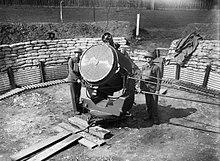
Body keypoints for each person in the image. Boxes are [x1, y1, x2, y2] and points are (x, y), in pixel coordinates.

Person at [139, 52, 161, 124]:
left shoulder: (156, 67)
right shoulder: (144, 67)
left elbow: (158, 79)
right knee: (148, 103)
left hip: (153, 88)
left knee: (154, 103)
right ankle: (149, 116)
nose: (148, 59)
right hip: (146, 87)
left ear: (152, 59)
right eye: (146, 58)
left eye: (149, 58)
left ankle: (156, 118)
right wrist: (141, 88)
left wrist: (157, 89)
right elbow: (141, 78)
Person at [67, 48, 83, 115]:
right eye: (77, 53)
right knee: (74, 95)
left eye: (79, 53)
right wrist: (76, 79)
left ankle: (78, 106)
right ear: (75, 53)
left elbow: (81, 70)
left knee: (78, 94)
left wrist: (81, 78)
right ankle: (75, 110)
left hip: (78, 80)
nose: (78, 55)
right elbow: (71, 71)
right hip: (72, 80)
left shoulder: (80, 60)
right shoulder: (71, 60)